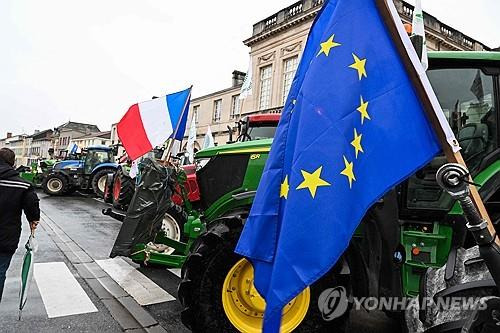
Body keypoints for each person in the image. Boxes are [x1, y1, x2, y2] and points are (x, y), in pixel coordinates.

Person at [0, 148, 40, 302]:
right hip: (5, 238)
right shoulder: (22, 185)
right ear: (13, 163)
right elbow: (32, 206)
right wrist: (33, 220)